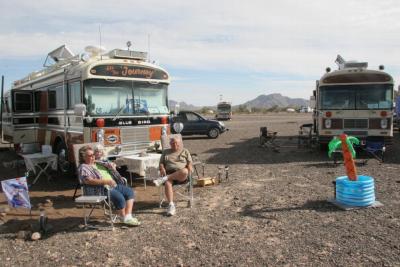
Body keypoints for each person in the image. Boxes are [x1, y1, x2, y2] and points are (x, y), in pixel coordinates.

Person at [78, 145, 140, 226]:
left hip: (113, 185)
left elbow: (109, 165)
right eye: (90, 155)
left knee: (129, 192)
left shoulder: (98, 163)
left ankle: (127, 216)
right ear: (83, 157)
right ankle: (123, 217)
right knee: (119, 197)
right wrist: (106, 181)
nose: (93, 157)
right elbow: (88, 181)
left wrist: (112, 167)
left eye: (93, 154)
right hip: (100, 189)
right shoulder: (83, 167)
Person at [153, 136, 193, 216]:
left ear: (179, 143)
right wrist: (162, 168)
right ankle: (171, 205)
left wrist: (190, 168)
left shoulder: (185, 151)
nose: (174, 144)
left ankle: (164, 179)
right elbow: (161, 163)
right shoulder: (165, 152)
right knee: (168, 183)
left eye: (176, 143)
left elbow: (190, 163)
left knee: (185, 171)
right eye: (172, 143)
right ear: (170, 144)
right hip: (169, 172)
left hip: (181, 175)